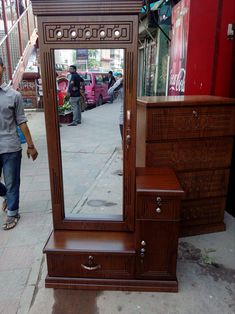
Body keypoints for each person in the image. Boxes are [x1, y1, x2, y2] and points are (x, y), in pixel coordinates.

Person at [0, 56, 38, 230]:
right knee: (9, 187)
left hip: (10, 147)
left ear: (3, 68)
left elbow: (22, 121)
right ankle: (8, 197)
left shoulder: (14, 96)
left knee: (12, 181)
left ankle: (13, 213)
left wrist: (30, 145)